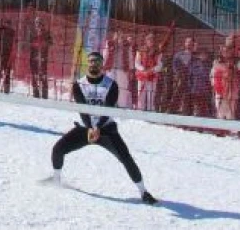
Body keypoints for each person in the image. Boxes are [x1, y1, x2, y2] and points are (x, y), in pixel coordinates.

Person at [48, 51, 157, 205]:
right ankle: (56, 180)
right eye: (91, 61)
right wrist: (91, 128)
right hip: (85, 127)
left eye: (97, 61)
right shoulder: (79, 84)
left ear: (102, 64)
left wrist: (98, 127)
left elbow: (108, 108)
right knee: (58, 149)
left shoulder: (111, 84)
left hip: (106, 129)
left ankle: (144, 192)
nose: (93, 64)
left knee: (126, 158)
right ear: (87, 63)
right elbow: (83, 109)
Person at [211, 44, 240, 121]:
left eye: (227, 51)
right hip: (219, 91)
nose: (225, 52)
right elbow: (212, 75)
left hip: (232, 92)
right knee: (220, 111)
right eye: (223, 51)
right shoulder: (216, 62)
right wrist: (214, 85)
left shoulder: (236, 62)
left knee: (231, 113)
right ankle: (220, 129)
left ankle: (232, 129)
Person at [102, 30, 135, 108]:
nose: (118, 37)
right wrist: (103, 67)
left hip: (122, 70)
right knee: (109, 86)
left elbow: (130, 58)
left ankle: (121, 105)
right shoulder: (109, 43)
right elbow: (105, 55)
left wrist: (131, 70)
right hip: (111, 69)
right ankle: (109, 104)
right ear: (114, 36)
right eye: (117, 35)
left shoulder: (127, 46)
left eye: (120, 35)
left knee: (122, 88)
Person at [134, 32, 162, 112]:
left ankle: (151, 113)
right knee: (141, 96)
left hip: (152, 77)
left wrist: (152, 70)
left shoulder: (158, 51)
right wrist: (143, 70)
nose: (150, 41)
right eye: (149, 40)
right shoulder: (140, 50)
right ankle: (139, 112)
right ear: (146, 40)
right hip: (142, 76)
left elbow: (160, 65)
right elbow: (136, 63)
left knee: (151, 96)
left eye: (152, 40)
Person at [30, 16, 53, 100]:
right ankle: (35, 93)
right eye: (36, 23)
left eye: (39, 23)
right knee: (34, 75)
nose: (38, 25)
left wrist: (44, 43)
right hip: (33, 57)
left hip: (43, 56)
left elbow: (51, 42)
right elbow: (28, 42)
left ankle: (44, 93)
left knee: (43, 75)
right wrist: (34, 44)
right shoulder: (32, 32)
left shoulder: (46, 33)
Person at [0, 19, 16, 93]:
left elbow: (15, 40)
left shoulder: (12, 32)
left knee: (7, 72)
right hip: (0, 53)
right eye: (6, 24)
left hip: (7, 54)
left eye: (8, 24)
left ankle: (6, 89)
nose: (7, 25)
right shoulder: (2, 31)